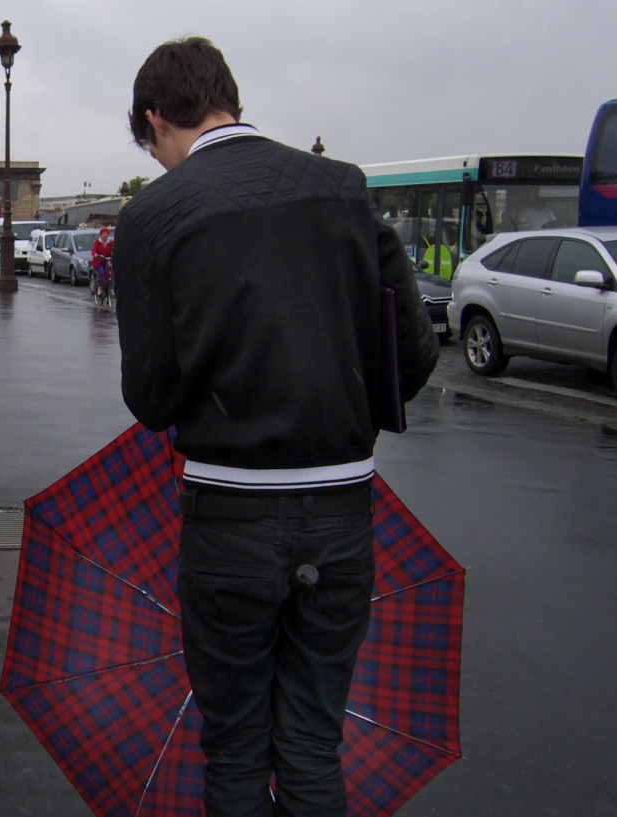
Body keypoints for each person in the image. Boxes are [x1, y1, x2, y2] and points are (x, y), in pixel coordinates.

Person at [112, 37, 438, 817]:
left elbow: (151, 399)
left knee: (234, 745)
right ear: (230, 98)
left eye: (152, 147)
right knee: (312, 741)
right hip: (341, 510)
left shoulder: (155, 216)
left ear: (156, 119)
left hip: (229, 515)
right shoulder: (344, 188)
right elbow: (416, 355)